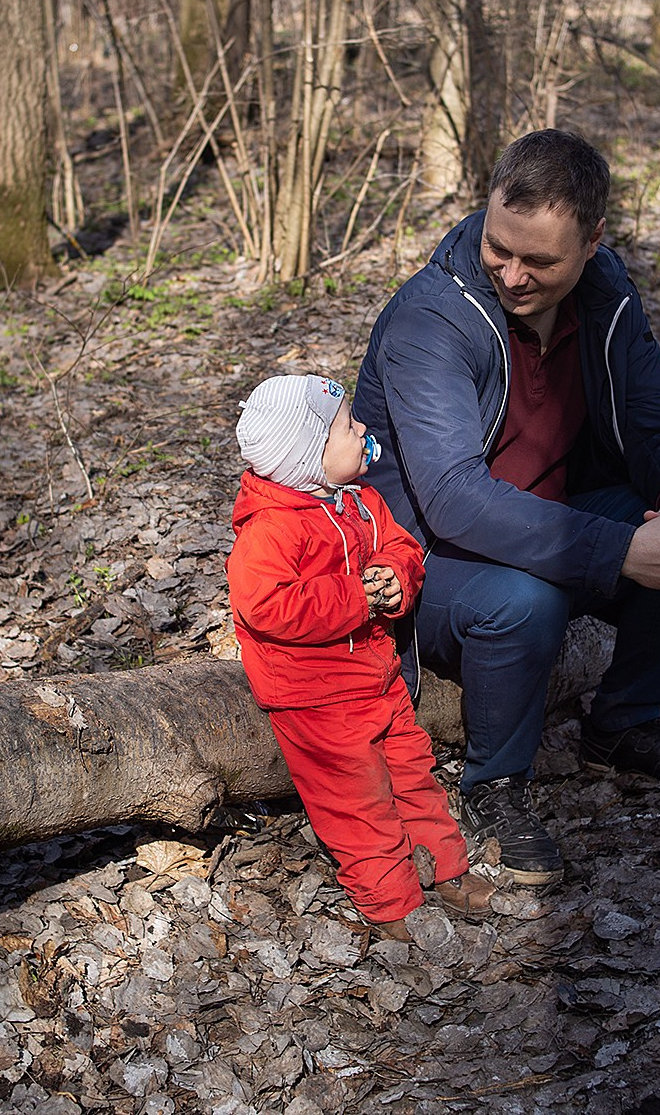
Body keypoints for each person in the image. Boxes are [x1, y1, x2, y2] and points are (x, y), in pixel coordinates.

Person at [353, 128, 660, 886]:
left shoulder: (606, 293)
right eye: (500, 248)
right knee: (525, 597)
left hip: (550, 517)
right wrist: (623, 550)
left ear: (593, 241)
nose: (513, 273)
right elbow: (452, 498)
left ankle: (623, 724)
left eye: (540, 260)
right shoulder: (431, 318)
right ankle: (496, 783)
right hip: (431, 557)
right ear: (487, 206)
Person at [227, 374, 497, 940]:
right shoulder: (272, 529)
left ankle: (444, 867)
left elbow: (399, 546)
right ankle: (390, 899)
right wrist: (358, 596)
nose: (363, 430)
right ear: (309, 455)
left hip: (377, 675)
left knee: (412, 773)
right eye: (348, 426)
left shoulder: (361, 500)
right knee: (355, 800)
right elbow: (266, 605)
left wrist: (399, 576)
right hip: (315, 696)